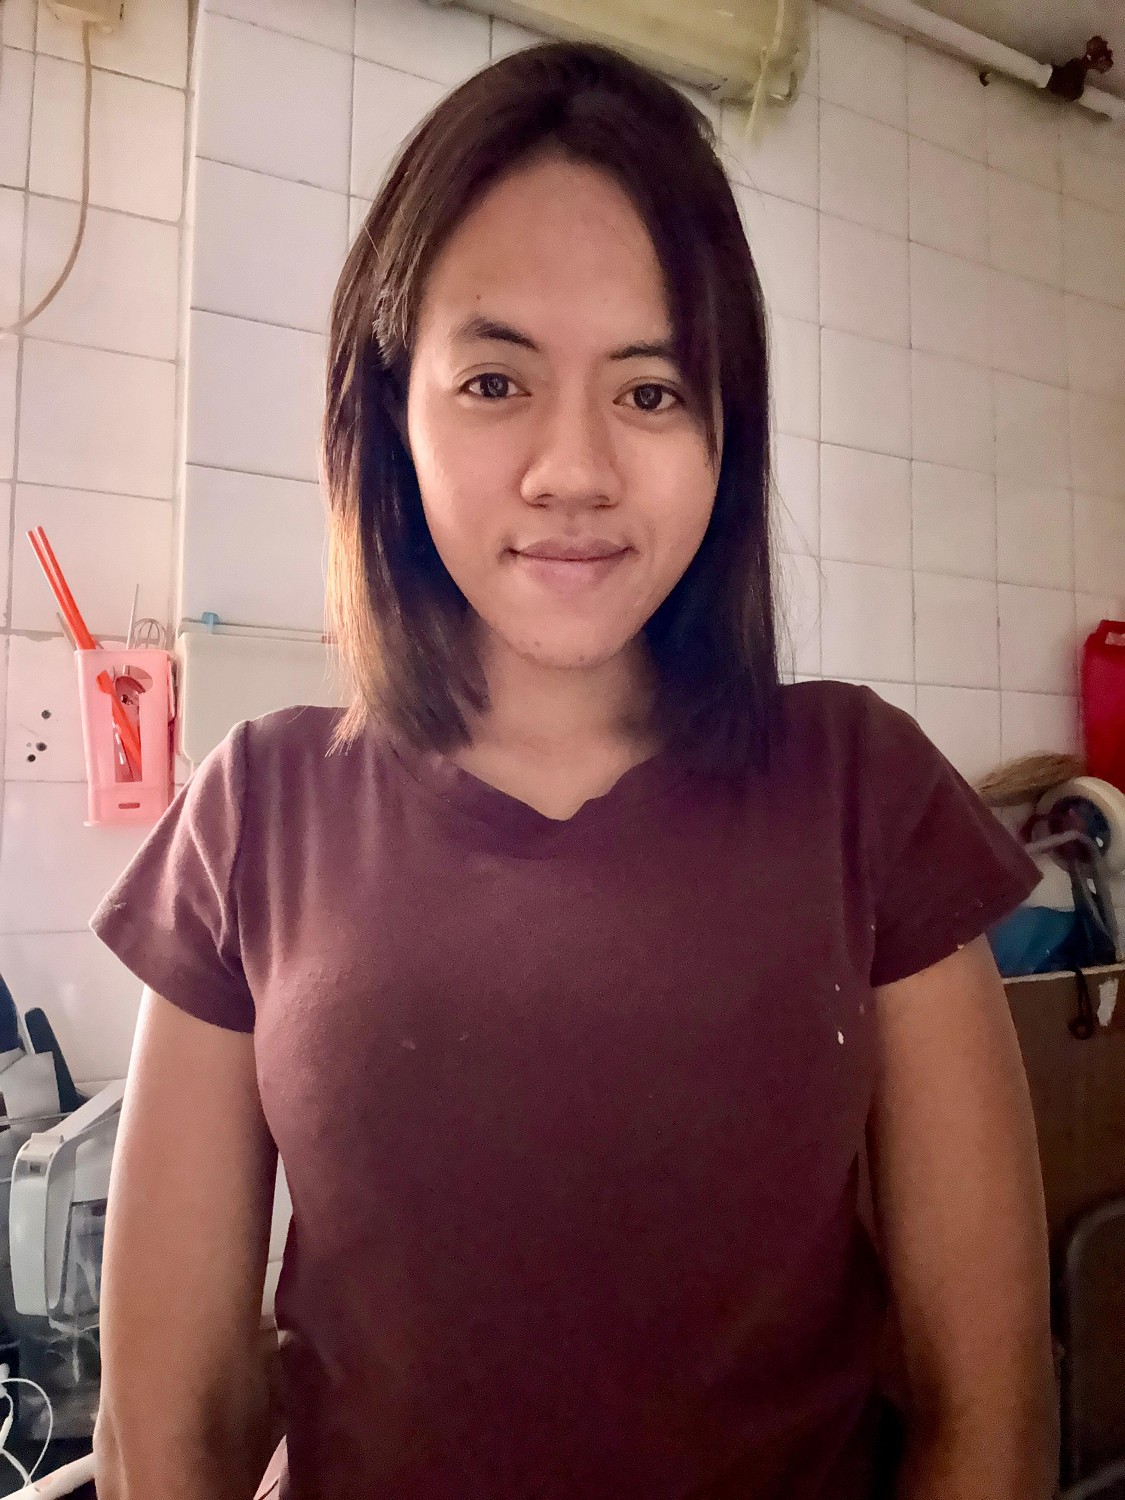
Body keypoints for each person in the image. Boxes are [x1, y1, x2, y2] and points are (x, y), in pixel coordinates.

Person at [89, 40, 1058, 1500]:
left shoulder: (863, 791)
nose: (574, 469)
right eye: (494, 381)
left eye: (650, 392)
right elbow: (172, 1435)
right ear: (391, 411)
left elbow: (988, 1417)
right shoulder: (257, 813)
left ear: (726, 428)